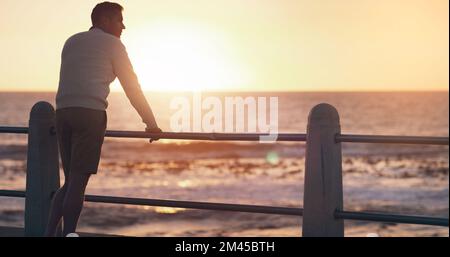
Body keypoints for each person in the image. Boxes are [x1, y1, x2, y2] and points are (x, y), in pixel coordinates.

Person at [45, 1, 161, 236]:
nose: (123, 26)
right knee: (78, 183)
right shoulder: (113, 44)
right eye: (119, 20)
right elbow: (132, 87)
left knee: (69, 181)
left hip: (63, 111)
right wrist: (151, 122)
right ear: (105, 20)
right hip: (89, 113)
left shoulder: (72, 41)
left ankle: (48, 234)